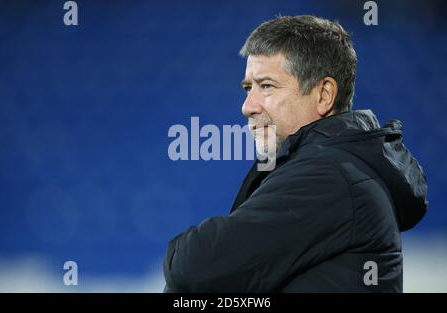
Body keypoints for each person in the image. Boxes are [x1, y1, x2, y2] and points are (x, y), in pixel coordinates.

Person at [163, 15, 428, 292]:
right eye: (247, 88)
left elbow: (194, 266)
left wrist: (179, 259)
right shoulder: (336, 168)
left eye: (266, 86)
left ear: (324, 95)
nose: (247, 106)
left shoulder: (328, 177)